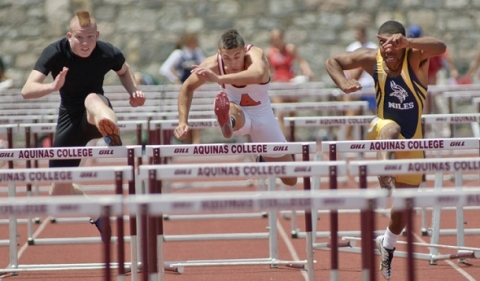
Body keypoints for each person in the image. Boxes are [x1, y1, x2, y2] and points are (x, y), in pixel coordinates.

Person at [325, 20, 446, 280]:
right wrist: (343, 83)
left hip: (413, 141)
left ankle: (387, 244)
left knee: (402, 208)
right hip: (381, 129)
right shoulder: (372, 59)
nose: (388, 54)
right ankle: (384, 170)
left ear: (402, 44)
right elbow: (332, 61)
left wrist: (409, 43)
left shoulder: (415, 58)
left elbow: (441, 47)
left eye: (393, 48)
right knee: (390, 130)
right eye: (384, 47)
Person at [21, 11, 146, 242]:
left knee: (92, 99)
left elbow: (124, 70)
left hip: (96, 113)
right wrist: (52, 87)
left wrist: (134, 93)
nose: (86, 43)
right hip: (69, 119)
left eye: (90, 37)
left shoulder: (108, 51)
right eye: (80, 37)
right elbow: (26, 90)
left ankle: (111, 132)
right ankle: (98, 213)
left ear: (97, 35)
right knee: (58, 193)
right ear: (69, 36)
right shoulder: (55, 51)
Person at [174, 28, 297, 186]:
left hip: (263, 115)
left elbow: (258, 74)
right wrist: (182, 122)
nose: (232, 63)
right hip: (238, 114)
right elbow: (187, 87)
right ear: (220, 53)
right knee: (230, 106)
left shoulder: (255, 55)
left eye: (237, 57)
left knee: (290, 178)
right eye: (226, 58)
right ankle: (228, 122)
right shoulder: (213, 64)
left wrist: (219, 78)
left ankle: (263, 155)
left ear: (244, 51)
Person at [266, 29, 314, 138]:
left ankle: (292, 137)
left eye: (278, 38)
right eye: (274, 39)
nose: (276, 41)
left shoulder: (290, 49)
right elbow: (268, 69)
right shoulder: (270, 52)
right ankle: (283, 140)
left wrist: (307, 71)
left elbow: (301, 61)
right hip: (278, 85)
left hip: (291, 84)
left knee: (293, 113)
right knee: (280, 113)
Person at [160, 33, 205, 144]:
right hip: (183, 89)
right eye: (193, 41)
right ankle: (188, 143)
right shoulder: (179, 54)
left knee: (197, 116)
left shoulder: (197, 53)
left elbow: (205, 65)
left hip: (195, 89)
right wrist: (176, 80)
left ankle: (196, 142)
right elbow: (164, 69)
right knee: (186, 116)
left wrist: (202, 79)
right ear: (188, 42)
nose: (195, 44)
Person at [342, 27, 378, 140]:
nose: (356, 36)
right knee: (352, 114)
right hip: (356, 87)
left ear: (363, 34)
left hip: (369, 86)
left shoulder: (373, 47)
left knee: (377, 113)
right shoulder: (352, 48)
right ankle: (344, 139)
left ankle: (380, 136)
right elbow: (346, 67)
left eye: (358, 33)